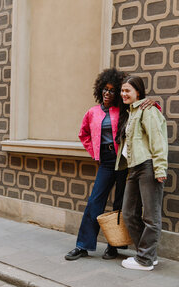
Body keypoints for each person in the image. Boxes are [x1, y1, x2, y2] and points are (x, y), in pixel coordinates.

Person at [65, 68, 155, 261]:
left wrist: (152, 102)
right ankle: (83, 245)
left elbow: (146, 113)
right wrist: (94, 153)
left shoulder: (124, 110)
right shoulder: (92, 113)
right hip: (105, 162)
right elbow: (84, 135)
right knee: (95, 201)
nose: (108, 93)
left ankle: (115, 245)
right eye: (105, 90)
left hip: (123, 161)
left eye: (112, 90)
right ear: (99, 90)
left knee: (120, 204)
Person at [116, 75, 168, 271]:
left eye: (127, 90)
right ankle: (146, 255)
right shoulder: (132, 112)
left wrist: (160, 168)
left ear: (138, 92)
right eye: (122, 90)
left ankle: (145, 260)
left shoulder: (148, 110)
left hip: (148, 166)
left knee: (151, 216)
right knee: (128, 213)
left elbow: (158, 140)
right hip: (134, 166)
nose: (123, 94)